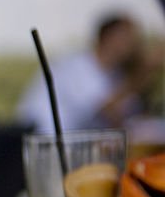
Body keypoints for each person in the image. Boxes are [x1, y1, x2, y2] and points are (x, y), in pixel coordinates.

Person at [17, 14, 155, 134]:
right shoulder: (77, 67)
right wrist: (144, 70)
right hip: (48, 148)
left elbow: (127, 118)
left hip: (79, 150)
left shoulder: (116, 75)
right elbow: (107, 109)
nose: (135, 43)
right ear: (108, 38)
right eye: (128, 37)